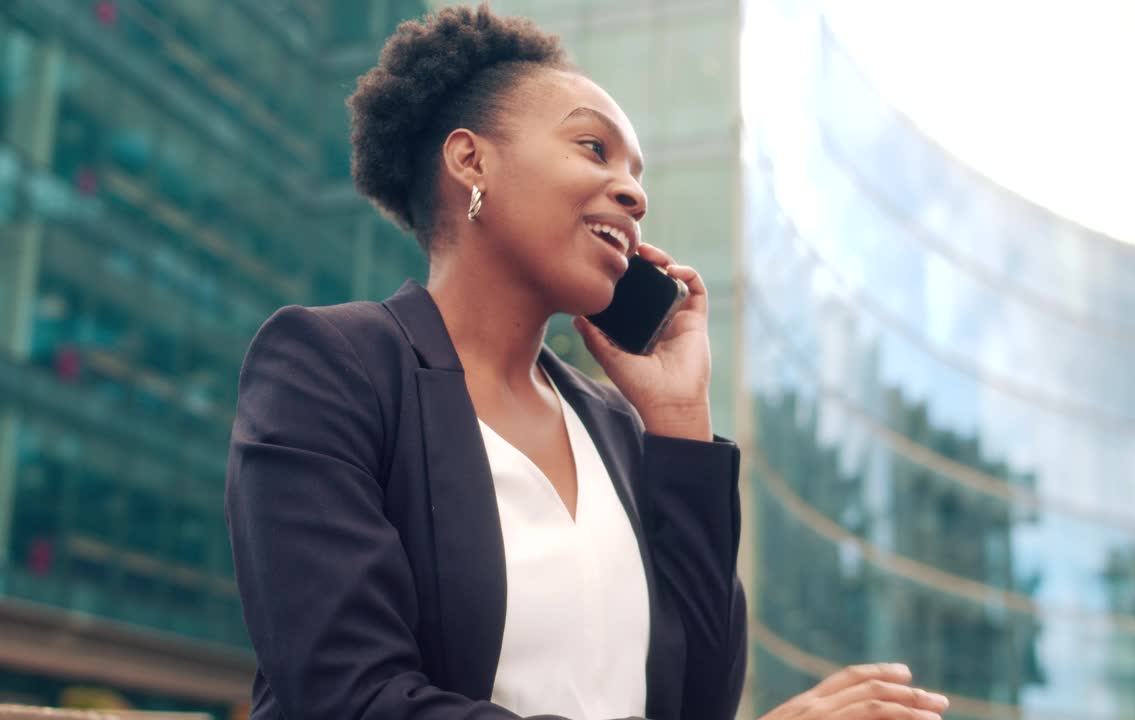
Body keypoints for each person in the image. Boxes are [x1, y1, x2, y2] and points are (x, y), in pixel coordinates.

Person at [224, 4, 951, 720]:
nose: (635, 194)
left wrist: (677, 418)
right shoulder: (333, 367)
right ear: (471, 159)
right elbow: (353, 699)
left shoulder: (618, 430)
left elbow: (700, 703)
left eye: (638, 175)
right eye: (594, 150)